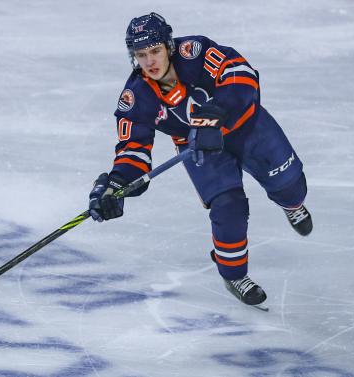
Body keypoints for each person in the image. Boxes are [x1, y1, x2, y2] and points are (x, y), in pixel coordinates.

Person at [88, 12, 312, 308]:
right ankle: (233, 274)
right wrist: (116, 185)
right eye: (141, 55)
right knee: (228, 207)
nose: (149, 61)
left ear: (168, 46)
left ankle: (291, 204)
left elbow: (242, 73)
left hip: (248, 127)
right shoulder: (136, 97)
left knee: (291, 187)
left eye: (154, 51)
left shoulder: (195, 51)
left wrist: (218, 110)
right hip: (200, 148)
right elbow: (133, 149)